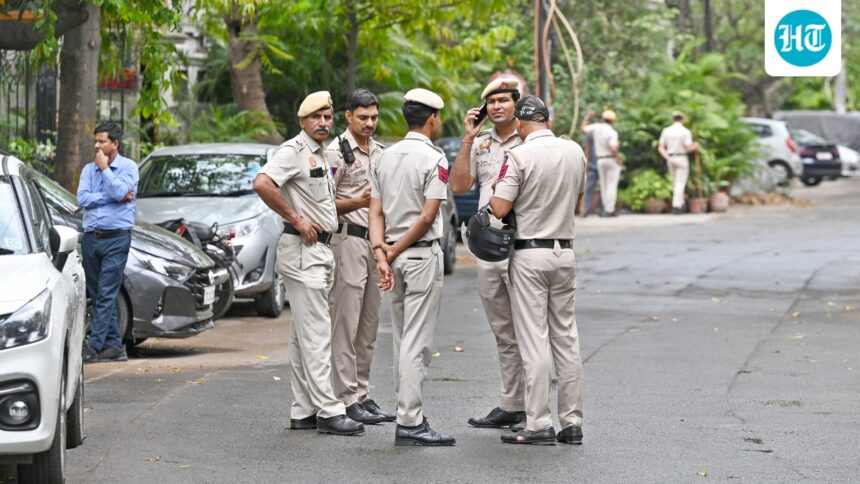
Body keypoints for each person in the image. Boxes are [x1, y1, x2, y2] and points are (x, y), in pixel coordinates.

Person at [252, 91, 364, 436]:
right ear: (302, 121)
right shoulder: (293, 151)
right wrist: (297, 219)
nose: (323, 123)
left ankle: (303, 410)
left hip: (320, 251)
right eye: (316, 117)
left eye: (328, 117)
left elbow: (324, 204)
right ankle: (330, 411)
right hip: (302, 249)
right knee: (316, 334)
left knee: (303, 335)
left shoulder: (318, 155)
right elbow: (262, 183)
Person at [489, 95, 587, 446]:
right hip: (565, 252)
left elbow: (499, 208)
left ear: (519, 124)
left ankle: (539, 423)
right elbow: (578, 197)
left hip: (531, 254)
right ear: (548, 119)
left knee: (534, 339)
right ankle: (572, 422)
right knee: (567, 338)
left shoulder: (518, 155)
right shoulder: (575, 151)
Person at [368, 88, 455, 446]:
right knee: (416, 342)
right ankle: (409, 421)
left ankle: (409, 411)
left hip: (394, 255)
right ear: (433, 118)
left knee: (403, 338)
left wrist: (382, 253)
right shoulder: (434, 159)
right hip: (419, 255)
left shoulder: (384, 157)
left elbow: (375, 212)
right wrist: (393, 250)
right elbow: (429, 214)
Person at [450, 78, 526, 430]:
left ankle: (535, 409)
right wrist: (468, 137)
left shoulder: (530, 138)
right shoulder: (479, 144)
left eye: (503, 100)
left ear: (516, 104)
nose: (497, 106)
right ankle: (512, 404)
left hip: (523, 246)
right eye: (491, 101)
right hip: (488, 250)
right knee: (502, 329)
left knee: (530, 327)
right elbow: (460, 185)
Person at [325, 89, 394, 425]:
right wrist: (357, 202)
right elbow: (320, 204)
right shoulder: (335, 153)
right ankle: (345, 397)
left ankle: (362, 395)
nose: (370, 123)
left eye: (374, 118)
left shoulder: (380, 153)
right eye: (363, 117)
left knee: (369, 325)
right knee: (346, 323)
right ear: (348, 116)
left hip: (374, 244)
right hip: (347, 240)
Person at [78, 122, 138, 363]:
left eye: (102, 141)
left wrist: (105, 170)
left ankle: (92, 347)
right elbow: (83, 198)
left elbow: (117, 191)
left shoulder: (128, 167)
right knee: (99, 293)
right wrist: (114, 197)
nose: (96, 146)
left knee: (106, 293)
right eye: (96, 141)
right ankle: (114, 347)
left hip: (116, 238)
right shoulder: (86, 170)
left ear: (115, 144)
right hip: (92, 239)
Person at [581, 109, 621, 217]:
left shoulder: (596, 127)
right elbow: (613, 147)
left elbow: (583, 128)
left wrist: (588, 117)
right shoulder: (612, 132)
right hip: (610, 159)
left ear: (603, 119)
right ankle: (609, 210)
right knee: (611, 185)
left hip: (600, 160)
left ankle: (605, 210)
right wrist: (618, 158)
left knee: (603, 185)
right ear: (613, 121)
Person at [658, 111, 700, 214]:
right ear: (682, 119)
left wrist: (667, 157)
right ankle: (677, 206)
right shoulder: (685, 131)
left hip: (670, 158)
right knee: (680, 183)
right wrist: (695, 146)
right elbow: (688, 147)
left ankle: (680, 204)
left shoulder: (666, 131)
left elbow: (661, 147)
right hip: (681, 158)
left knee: (675, 182)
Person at [578, 130, 601, 216]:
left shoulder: (597, 133)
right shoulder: (590, 134)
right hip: (592, 165)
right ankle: (584, 210)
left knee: (599, 188)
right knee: (588, 188)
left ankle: (600, 210)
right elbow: (585, 149)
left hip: (597, 163)